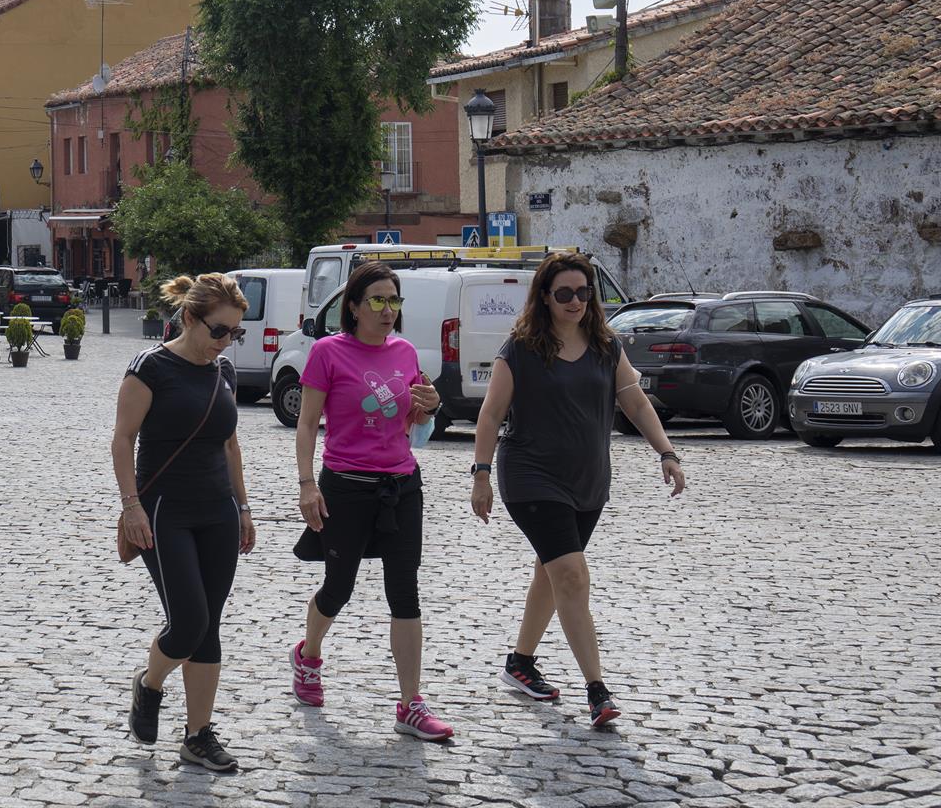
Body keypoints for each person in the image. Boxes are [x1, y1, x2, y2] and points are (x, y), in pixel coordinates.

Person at [470, 251, 688, 729]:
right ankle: (597, 689)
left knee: (550, 575)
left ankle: (520, 662)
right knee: (571, 575)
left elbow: (633, 400)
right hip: (530, 475)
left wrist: (666, 452)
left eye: (583, 292)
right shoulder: (522, 347)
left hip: (587, 479)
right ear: (545, 297)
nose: (575, 301)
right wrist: (481, 473)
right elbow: (490, 414)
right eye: (564, 293)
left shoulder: (606, 345)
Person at [290, 261, 451, 740]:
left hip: (401, 485)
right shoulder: (327, 353)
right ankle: (309, 655)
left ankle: (410, 704)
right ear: (354, 307)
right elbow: (306, 422)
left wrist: (433, 404)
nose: (387, 310)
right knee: (338, 587)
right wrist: (306, 484)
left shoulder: (405, 352)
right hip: (346, 486)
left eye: (394, 300)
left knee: (405, 591)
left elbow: (416, 419)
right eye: (378, 300)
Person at [112, 273, 256, 773]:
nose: (226, 342)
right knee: (189, 622)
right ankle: (150, 683)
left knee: (209, 626)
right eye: (219, 331)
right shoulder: (150, 369)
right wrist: (131, 506)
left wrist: (243, 507)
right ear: (190, 318)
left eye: (235, 334)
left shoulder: (224, 373)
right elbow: (122, 439)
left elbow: (230, 445)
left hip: (216, 510)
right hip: (164, 512)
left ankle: (197, 736)